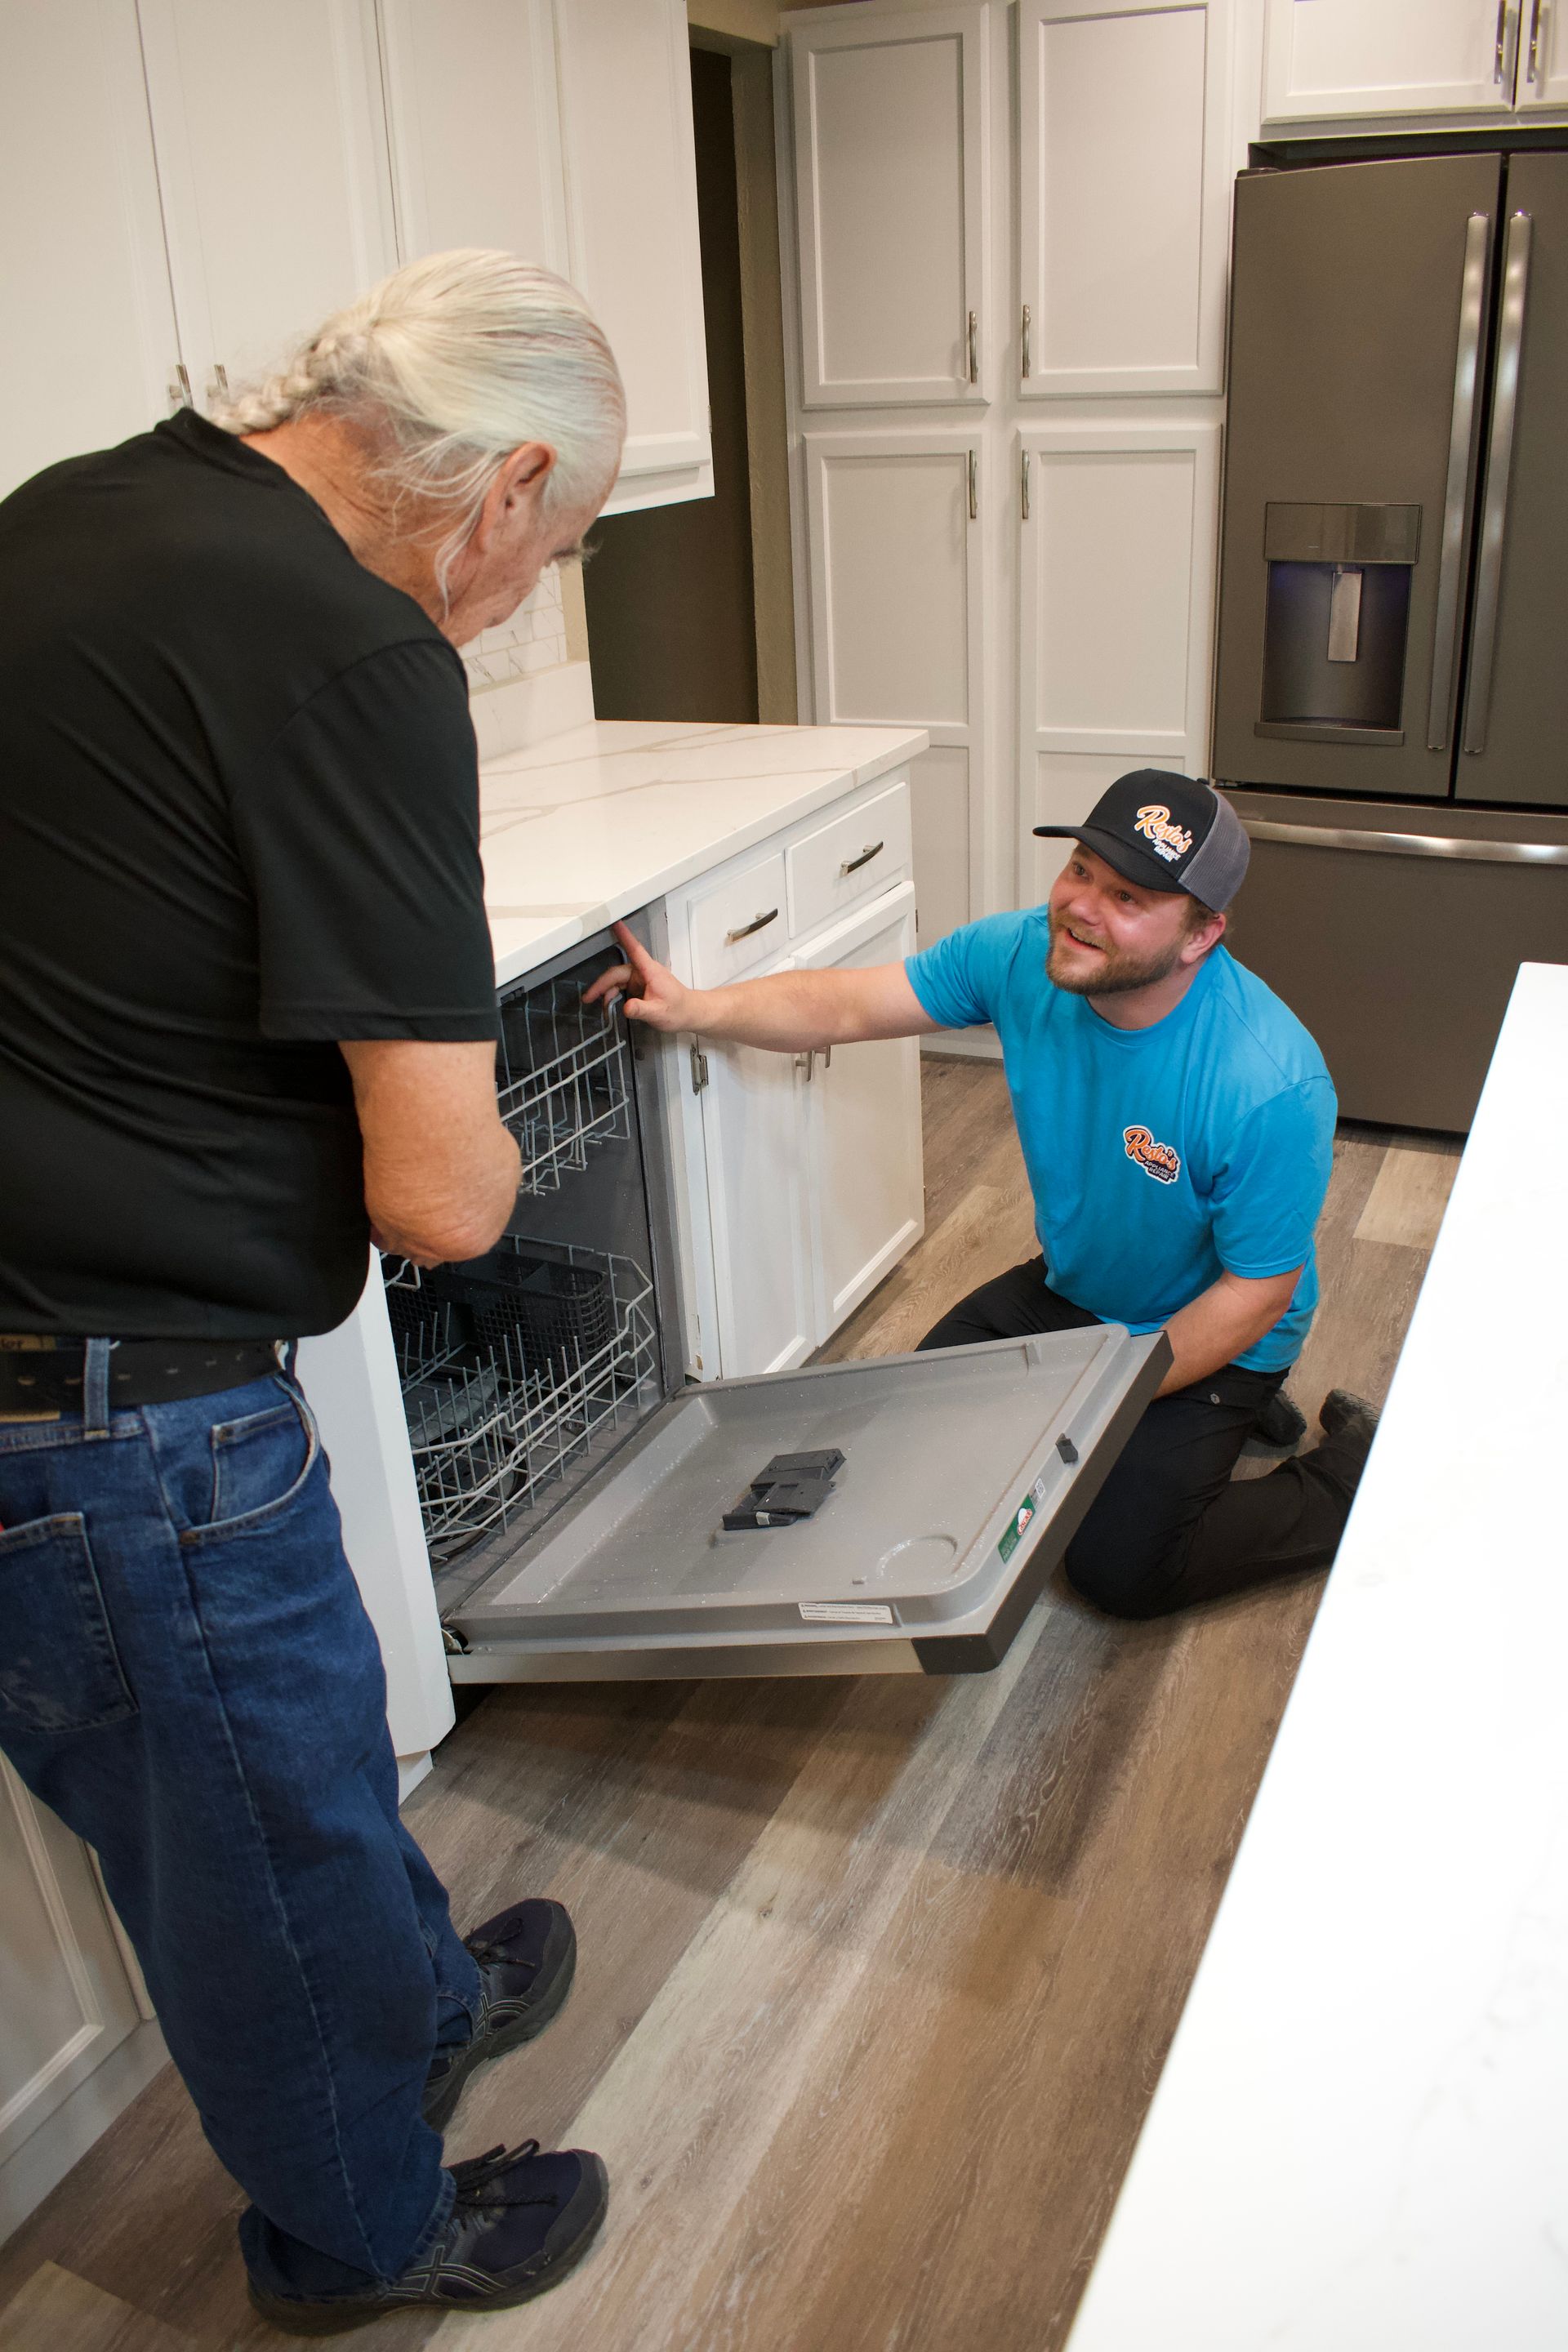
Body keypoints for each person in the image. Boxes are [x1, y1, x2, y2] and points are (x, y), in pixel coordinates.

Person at [0, 251, 623, 2332]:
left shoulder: (75, 511)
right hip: (115, 1404)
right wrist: (514, 1149)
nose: (526, 591)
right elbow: (444, 1200)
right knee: (258, 1863)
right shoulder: (352, 647)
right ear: (503, 484)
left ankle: (426, 1997)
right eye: (564, 547)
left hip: (72, 1347)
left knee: (309, 1756)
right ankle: (363, 2237)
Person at [589, 769, 1378, 1620]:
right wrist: (695, 1005)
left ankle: (1350, 1471)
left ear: (1200, 935)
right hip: (1076, 1290)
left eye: (1128, 896)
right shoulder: (1020, 955)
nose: (1081, 906)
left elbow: (1257, 1293)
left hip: (1220, 1326)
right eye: (1081, 869)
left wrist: (1109, 1392)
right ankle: (1203, 1425)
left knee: (1121, 1567)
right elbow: (842, 1005)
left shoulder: (1268, 1081)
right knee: (901, 1444)